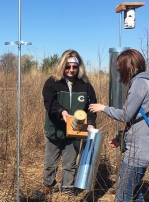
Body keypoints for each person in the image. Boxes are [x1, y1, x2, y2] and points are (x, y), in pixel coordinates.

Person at [89, 49, 149, 202]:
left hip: (138, 152)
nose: (119, 74)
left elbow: (126, 115)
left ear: (128, 68)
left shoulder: (140, 83)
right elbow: (137, 119)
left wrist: (103, 108)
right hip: (144, 147)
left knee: (123, 194)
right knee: (135, 192)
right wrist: (121, 138)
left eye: (120, 69)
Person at [42, 49, 97, 195]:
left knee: (70, 164)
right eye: (67, 66)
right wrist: (62, 112)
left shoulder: (85, 85)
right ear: (62, 66)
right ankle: (48, 187)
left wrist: (90, 122)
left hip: (75, 131)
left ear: (79, 67)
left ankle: (66, 191)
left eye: (74, 67)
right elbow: (49, 103)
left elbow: (92, 107)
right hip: (55, 129)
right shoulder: (52, 83)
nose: (71, 70)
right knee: (50, 163)